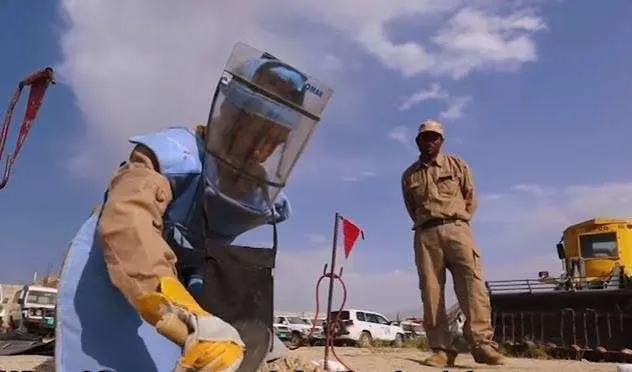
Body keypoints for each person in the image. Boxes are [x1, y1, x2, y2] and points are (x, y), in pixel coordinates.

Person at [55, 42, 332, 372]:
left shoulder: (256, 194)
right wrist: (180, 312)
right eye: (256, 130)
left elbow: (228, 283)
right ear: (230, 118)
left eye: (274, 139)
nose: (261, 148)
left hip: (194, 288)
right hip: (122, 282)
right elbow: (128, 221)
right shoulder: (172, 155)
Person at [400, 119, 505, 368]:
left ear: (441, 141)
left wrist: (458, 220)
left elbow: (471, 197)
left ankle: (481, 345)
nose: (430, 142)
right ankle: (441, 349)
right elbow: (411, 208)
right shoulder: (409, 175)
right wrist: (429, 223)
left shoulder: (457, 164)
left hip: (458, 229)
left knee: (473, 286)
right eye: (425, 138)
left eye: (434, 137)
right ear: (418, 141)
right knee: (431, 292)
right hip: (426, 235)